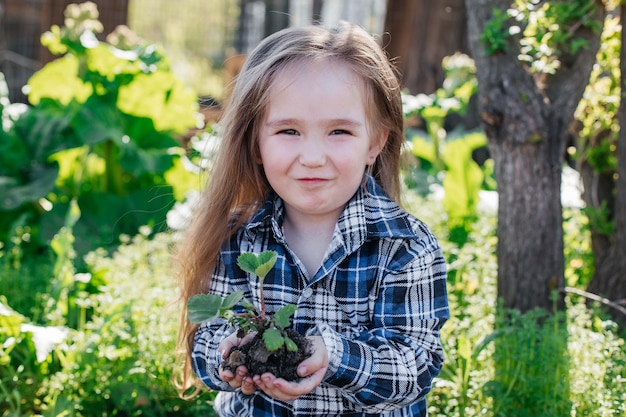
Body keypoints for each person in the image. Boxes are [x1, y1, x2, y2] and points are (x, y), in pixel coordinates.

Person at [175, 21, 449, 417]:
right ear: (255, 144)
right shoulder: (237, 237)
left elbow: (415, 368)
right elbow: (204, 344)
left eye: (339, 131)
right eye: (288, 131)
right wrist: (229, 353)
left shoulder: (403, 246)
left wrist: (333, 357)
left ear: (374, 142)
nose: (313, 157)